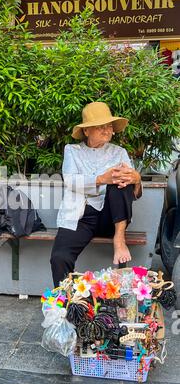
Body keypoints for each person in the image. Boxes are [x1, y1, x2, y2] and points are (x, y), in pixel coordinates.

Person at [50, 102, 142, 288]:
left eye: (109, 126)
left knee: (121, 180)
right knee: (59, 258)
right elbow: (70, 181)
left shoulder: (119, 152)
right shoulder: (72, 151)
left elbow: (134, 193)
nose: (107, 130)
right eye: (100, 126)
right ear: (86, 131)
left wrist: (137, 179)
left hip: (113, 219)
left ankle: (119, 239)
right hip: (81, 217)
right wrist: (101, 178)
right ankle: (66, 305)